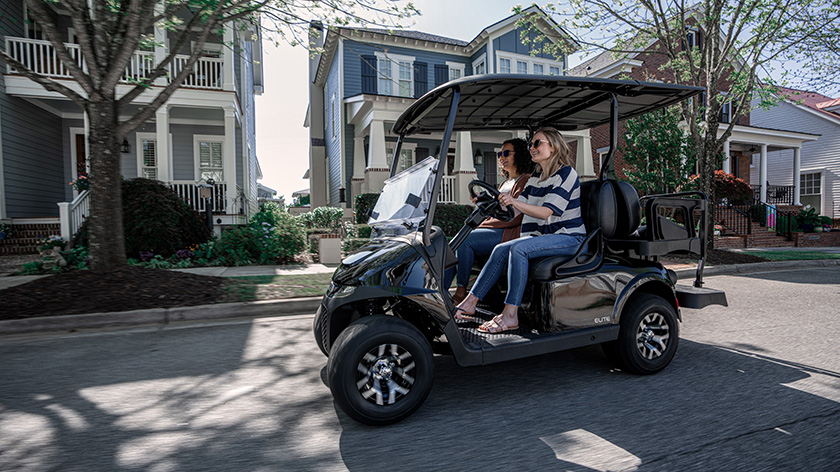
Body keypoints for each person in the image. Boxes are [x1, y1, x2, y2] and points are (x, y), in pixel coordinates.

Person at [454, 127, 586, 333]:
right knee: (500, 249)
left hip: (569, 238)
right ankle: (469, 302)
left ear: (553, 146)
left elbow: (545, 212)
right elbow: (514, 212)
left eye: (537, 143)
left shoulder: (566, 174)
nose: (531, 148)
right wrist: (489, 203)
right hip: (543, 237)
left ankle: (510, 315)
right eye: (530, 144)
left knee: (519, 249)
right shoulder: (536, 178)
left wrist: (513, 201)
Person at [446, 138, 535, 307]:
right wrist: (484, 203)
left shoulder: (525, 180)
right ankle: (442, 291)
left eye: (506, 153)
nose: (502, 157)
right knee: (452, 244)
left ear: (520, 155)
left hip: (510, 231)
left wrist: (485, 222)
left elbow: (513, 216)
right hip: (498, 228)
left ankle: (460, 290)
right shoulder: (505, 183)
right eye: (500, 153)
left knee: (466, 240)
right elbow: (498, 209)